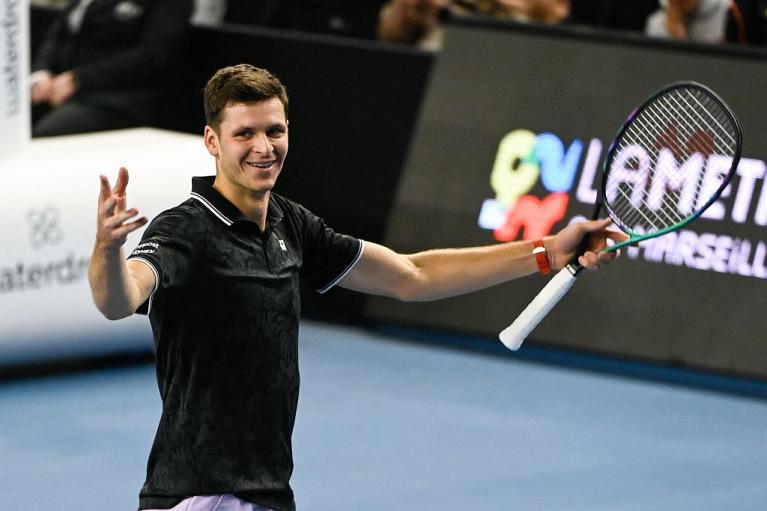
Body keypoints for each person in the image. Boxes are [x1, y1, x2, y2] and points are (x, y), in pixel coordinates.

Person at [88, 64, 626, 511]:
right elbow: (119, 299)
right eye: (244, 134)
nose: (263, 147)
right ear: (212, 141)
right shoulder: (185, 229)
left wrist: (548, 251)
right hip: (200, 495)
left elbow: (412, 276)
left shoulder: (292, 224)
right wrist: (108, 249)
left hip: (266, 491)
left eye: (274, 131)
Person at [30, 0, 193, 137]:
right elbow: (58, 33)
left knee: (47, 133)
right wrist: (42, 71)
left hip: (120, 98)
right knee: (16, 122)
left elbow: (151, 56)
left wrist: (79, 79)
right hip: (60, 87)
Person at [377, 0, 571, 50]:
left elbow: (557, 12)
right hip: (436, 65)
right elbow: (389, 37)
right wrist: (412, 10)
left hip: (508, 67)